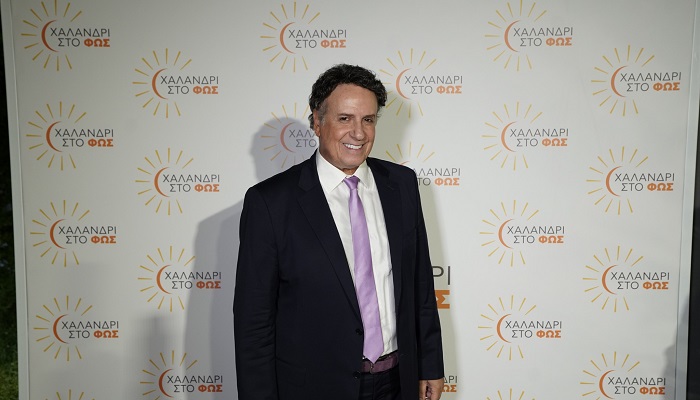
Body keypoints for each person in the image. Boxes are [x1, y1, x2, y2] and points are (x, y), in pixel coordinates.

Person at [233, 64, 444, 400]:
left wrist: (429, 364)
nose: (358, 133)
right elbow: (253, 322)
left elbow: (420, 286)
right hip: (315, 387)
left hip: (396, 382)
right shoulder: (270, 203)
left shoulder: (402, 185)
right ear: (317, 122)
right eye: (345, 118)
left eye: (368, 119)